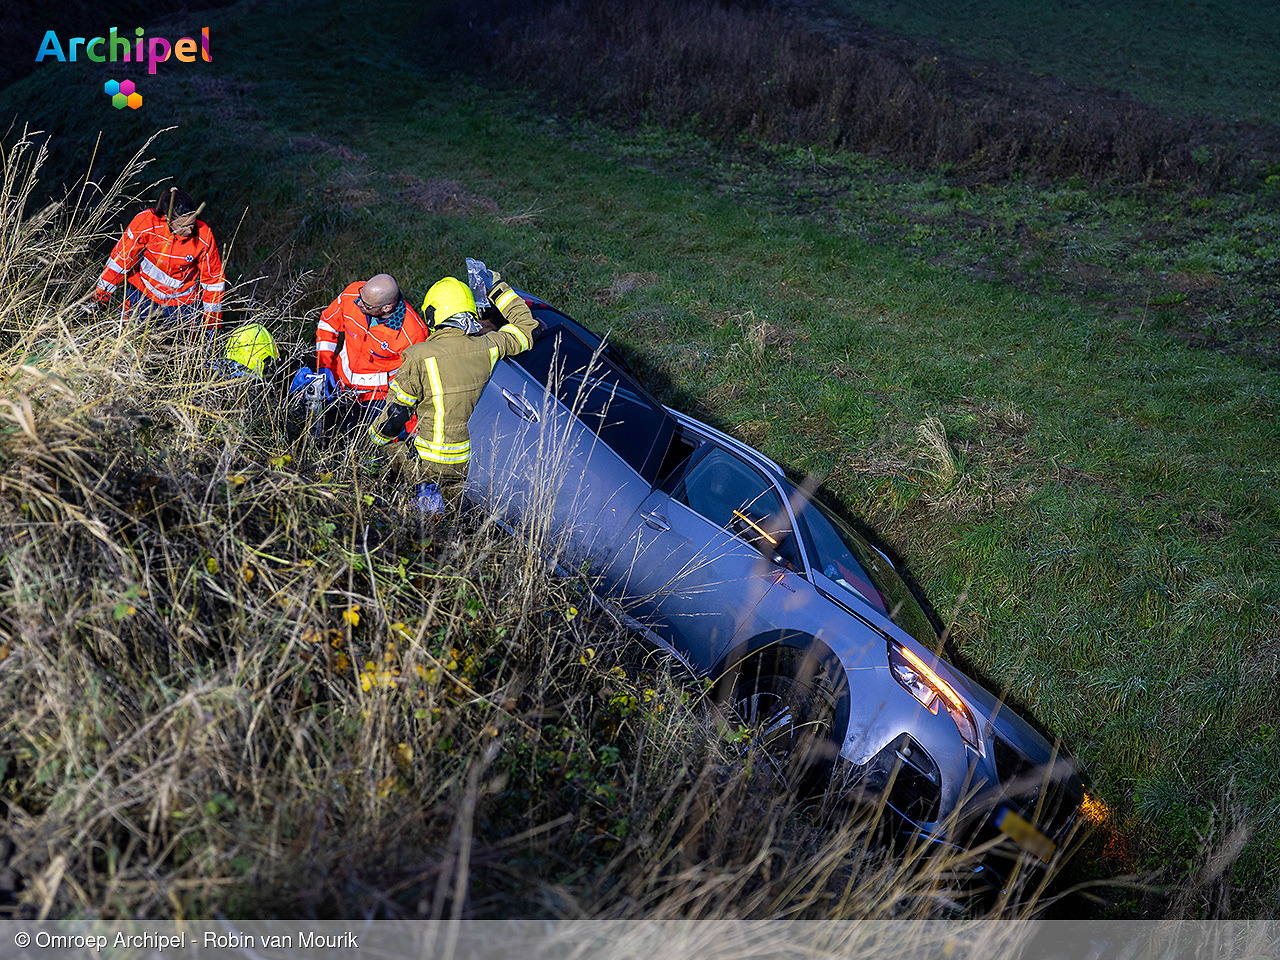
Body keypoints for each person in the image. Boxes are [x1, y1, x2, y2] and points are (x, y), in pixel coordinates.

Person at [368, 268, 538, 515]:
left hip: (427, 465)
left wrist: (370, 445)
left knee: (383, 455)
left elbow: (395, 415)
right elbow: (525, 329)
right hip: (468, 465)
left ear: (432, 314)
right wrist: (496, 287)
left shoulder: (419, 356)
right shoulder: (488, 347)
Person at [92, 186, 225, 332]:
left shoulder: (203, 234)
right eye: (182, 226)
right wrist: (99, 299)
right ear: (168, 219)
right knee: (125, 342)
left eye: (192, 224)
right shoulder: (147, 223)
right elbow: (119, 262)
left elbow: (213, 281)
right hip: (141, 293)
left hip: (182, 303)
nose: (189, 230)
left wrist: (211, 325)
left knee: (182, 351)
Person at [313, 274, 429, 427]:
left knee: (368, 441)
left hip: (377, 398)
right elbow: (328, 324)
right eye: (360, 296)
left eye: (366, 305)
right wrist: (324, 365)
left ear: (386, 308)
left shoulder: (413, 333)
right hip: (337, 382)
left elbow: (414, 381)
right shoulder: (353, 294)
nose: (358, 303)